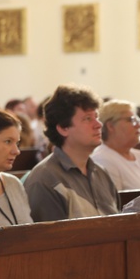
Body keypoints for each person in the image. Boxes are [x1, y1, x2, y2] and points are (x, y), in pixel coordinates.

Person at [24, 84, 118, 221]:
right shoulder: (45, 180)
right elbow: (51, 239)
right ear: (63, 128)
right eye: (87, 118)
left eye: (96, 117)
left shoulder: (101, 173)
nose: (98, 124)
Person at [91, 100, 140, 190]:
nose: (138, 125)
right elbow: (114, 202)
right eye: (131, 120)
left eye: (137, 120)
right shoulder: (102, 159)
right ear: (110, 126)